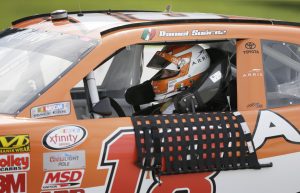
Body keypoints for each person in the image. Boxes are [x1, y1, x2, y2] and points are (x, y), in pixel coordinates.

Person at [129, 44, 211, 115]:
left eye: (170, 72)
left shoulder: (179, 110)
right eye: (163, 71)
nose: (162, 76)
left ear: (191, 74)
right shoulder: (175, 102)